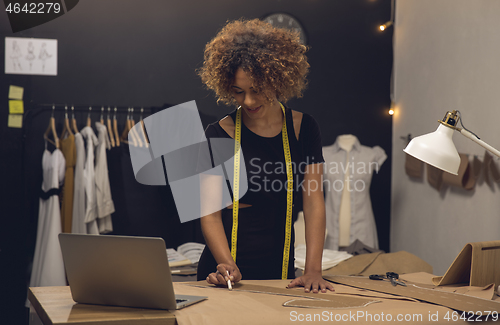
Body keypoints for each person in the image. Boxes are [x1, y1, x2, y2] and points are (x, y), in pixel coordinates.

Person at [197, 18, 333, 294]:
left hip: (280, 271)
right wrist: (225, 264)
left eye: (256, 90)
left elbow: (313, 202)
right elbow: (209, 215)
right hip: (225, 272)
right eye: (238, 92)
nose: (248, 101)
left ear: (277, 81)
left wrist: (313, 270)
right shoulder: (218, 133)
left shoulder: (304, 129)